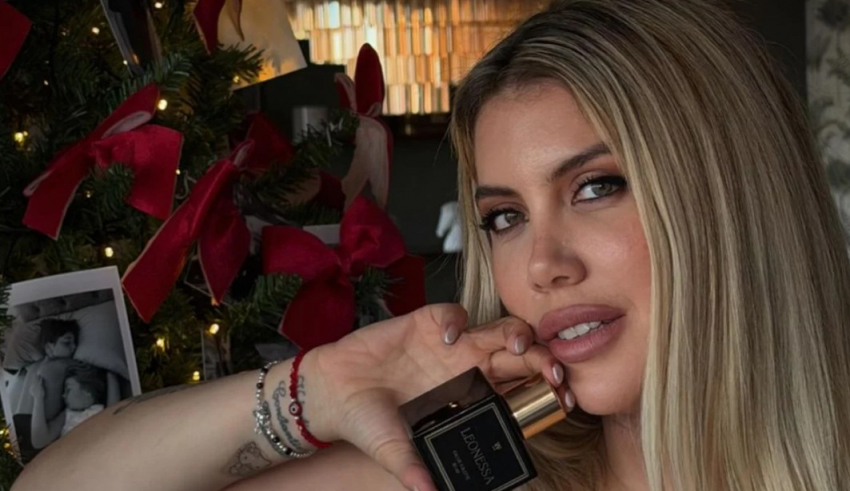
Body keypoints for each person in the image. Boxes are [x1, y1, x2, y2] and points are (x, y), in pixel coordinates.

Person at [12, 0, 850, 490]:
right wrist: (315, 387)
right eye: (506, 217)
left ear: (725, 199)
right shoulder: (465, 471)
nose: (542, 264)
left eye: (597, 187)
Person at [30, 362, 107, 449]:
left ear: (87, 392)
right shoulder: (68, 414)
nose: (63, 395)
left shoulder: (101, 409)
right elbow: (39, 441)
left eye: (68, 390)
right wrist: (38, 398)